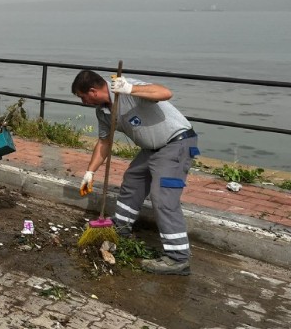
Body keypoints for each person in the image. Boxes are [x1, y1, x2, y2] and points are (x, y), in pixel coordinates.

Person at [71, 69, 199, 276]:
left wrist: (130, 89)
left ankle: (178, 259)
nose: (83, 102)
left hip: (176, 143)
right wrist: (90, 173)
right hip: (151, 149)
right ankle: (121, 226)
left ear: (92, 91)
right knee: (133, 179)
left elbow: (165, 93)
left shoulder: (126, 88)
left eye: (82, 97)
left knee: (163, 198)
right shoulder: (103, 111)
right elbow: (104, 142)